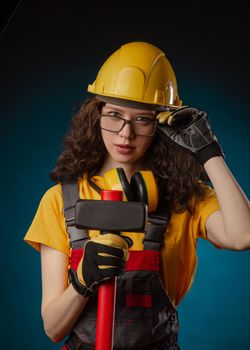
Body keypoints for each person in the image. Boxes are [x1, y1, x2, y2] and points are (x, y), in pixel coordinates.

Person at [24, 41, 250, 349]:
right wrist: (82, 281)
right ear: (96, 115)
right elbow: (53, 328)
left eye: (142, 119)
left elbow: (243, 235)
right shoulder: (60, 201)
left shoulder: (185, 197)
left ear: (160, 125)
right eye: (114, 114)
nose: (125, 133)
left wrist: (208, 152)